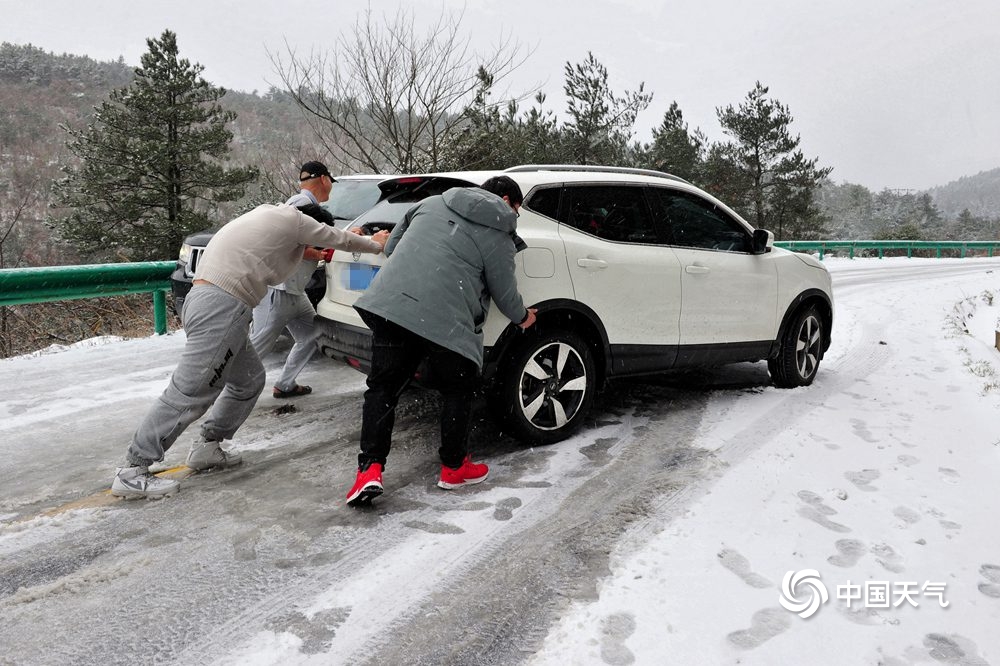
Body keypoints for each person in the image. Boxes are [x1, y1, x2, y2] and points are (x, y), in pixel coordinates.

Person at [111, 202, 390, 499]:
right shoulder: (294, 219)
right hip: (222, 305)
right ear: (310, 222)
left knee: (248, 380)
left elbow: (313, 247)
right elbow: (337, 238)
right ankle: (133, 469)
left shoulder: (268, 214)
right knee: (191, 390)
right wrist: (375, 243)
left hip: (208, 299)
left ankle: (208, 446)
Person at [346, 175, 537, 507]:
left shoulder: (431, 202)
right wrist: (523, 317)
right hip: (447, 321)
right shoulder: (500, 234)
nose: (515, 218)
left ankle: (369, 471)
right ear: (507, 202)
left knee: (383, 389)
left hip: (393, 307)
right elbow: (505, 293)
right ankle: (453, 468)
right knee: (458, 389)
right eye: (517, 210)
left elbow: (391, 247)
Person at [250, 161, 337, 399]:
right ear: (323, 179)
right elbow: (289, 245)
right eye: (331, 180)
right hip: (277, 289)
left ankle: (285, 384)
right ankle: (222, 391)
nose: (331, 186)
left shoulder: (306, 205)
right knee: (258, 347)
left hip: (294, 290)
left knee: (312, 334)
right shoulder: (300, 205)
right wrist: (320, 253)